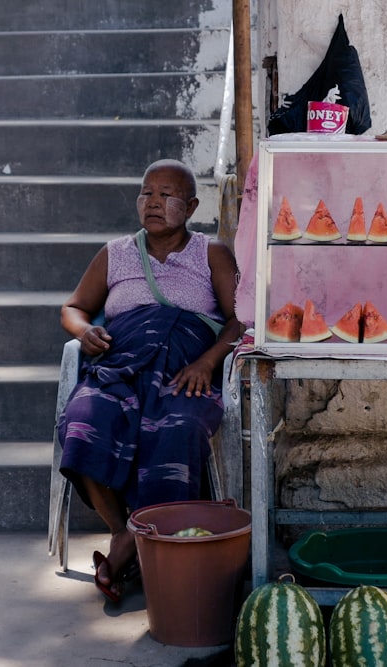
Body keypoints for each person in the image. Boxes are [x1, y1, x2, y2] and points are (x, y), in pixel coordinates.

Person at [56, 159, 242, 603]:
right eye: (146, 193)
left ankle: (144, 544)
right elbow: (73, 308)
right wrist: (85, 331)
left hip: (184, 373)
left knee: (177, 428)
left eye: (167, 194)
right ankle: (126, 534)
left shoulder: (210, 253)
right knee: (82, 421)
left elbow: (240, 320)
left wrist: (207, 362)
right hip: (120, 368)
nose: (153, 202)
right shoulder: (115, 253)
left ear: (192, 205)